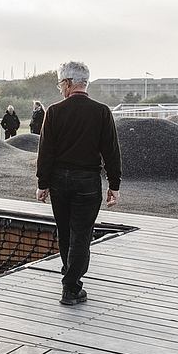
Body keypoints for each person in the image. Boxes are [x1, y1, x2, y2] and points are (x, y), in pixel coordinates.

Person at [35, 61, 121, 306]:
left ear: (69, 83)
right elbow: (111, 152)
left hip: (60, 180)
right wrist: (114, 185)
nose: (60, 88)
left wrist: (43, 183)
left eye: (61, 83)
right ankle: (71, 286)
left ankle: (70, 279)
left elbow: (46, 152)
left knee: (65, 233)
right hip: (87, 181)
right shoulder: (102, 111)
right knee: (81, 235)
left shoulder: (54, 111)